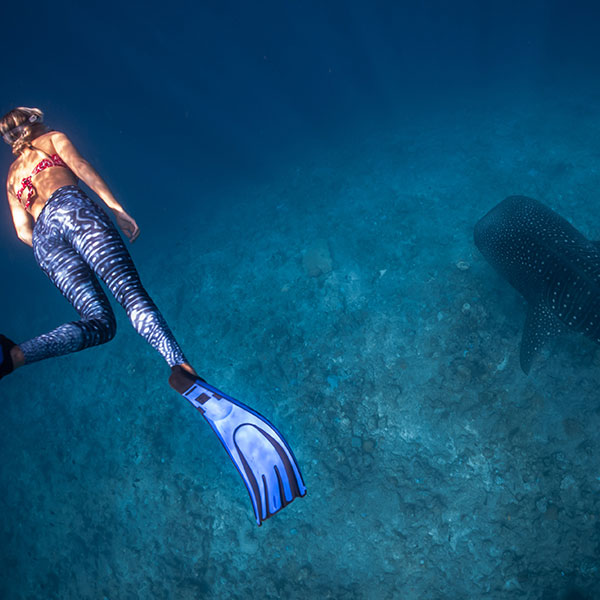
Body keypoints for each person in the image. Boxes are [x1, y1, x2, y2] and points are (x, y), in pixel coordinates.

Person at [0, 107, 305, 525]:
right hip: (72, 209)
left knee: (98, 323)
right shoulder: (52, 140)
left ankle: (15, 355)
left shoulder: (11, 179)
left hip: (46, 243)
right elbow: (81, 167)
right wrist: (116, 208)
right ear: (34, 122)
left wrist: (53, 239)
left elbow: (23, 232)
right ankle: (178, 364)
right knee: (130, 295)